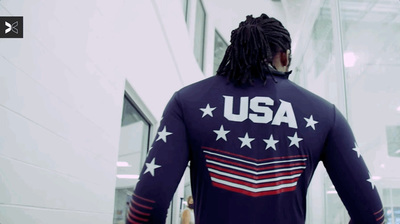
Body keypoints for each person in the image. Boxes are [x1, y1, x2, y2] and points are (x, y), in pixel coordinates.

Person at [126, 14, 384, 224]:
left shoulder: (187, 101)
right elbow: (372, 216)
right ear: (284, 57)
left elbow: (145, 210)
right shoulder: (325, 113)